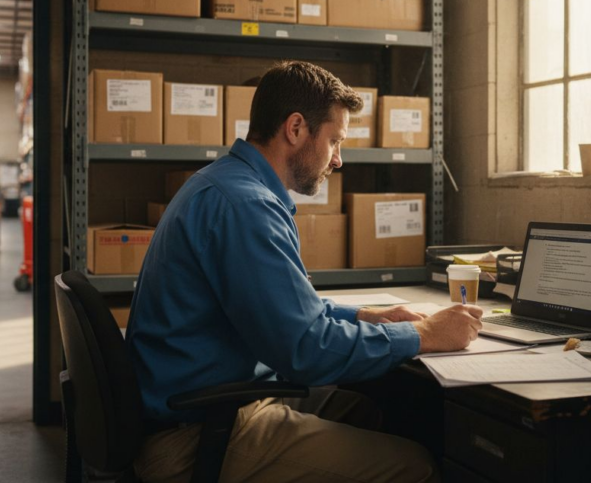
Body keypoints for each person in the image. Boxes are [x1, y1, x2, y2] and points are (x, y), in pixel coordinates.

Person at [127, 61, 483, 482]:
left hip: (207, 402)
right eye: (334, 141)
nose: (338, 160)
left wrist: (363, 316)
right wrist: (423, 336)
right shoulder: (247, 207)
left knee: (367, 411)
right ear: (295, 129)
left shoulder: (227, 184)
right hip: (195, 435)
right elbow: (305, 350)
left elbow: (283, 307)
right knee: (415, 467)